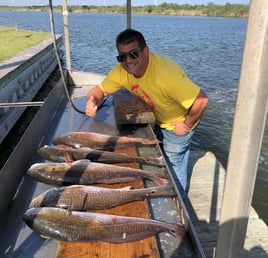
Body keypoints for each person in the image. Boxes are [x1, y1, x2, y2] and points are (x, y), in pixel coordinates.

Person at [85, 28, 208, 199]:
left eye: (133, 54)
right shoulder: (121, 71)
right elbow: (100, 90)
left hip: (177, 123)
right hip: (158, 117)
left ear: (146, 51)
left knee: (174, 163)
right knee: (158, 155)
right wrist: (92, 100)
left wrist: (186, 124)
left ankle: (178, 199)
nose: (128, 60)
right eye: (122, 56)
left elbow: (201, 100)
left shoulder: (167, 74)